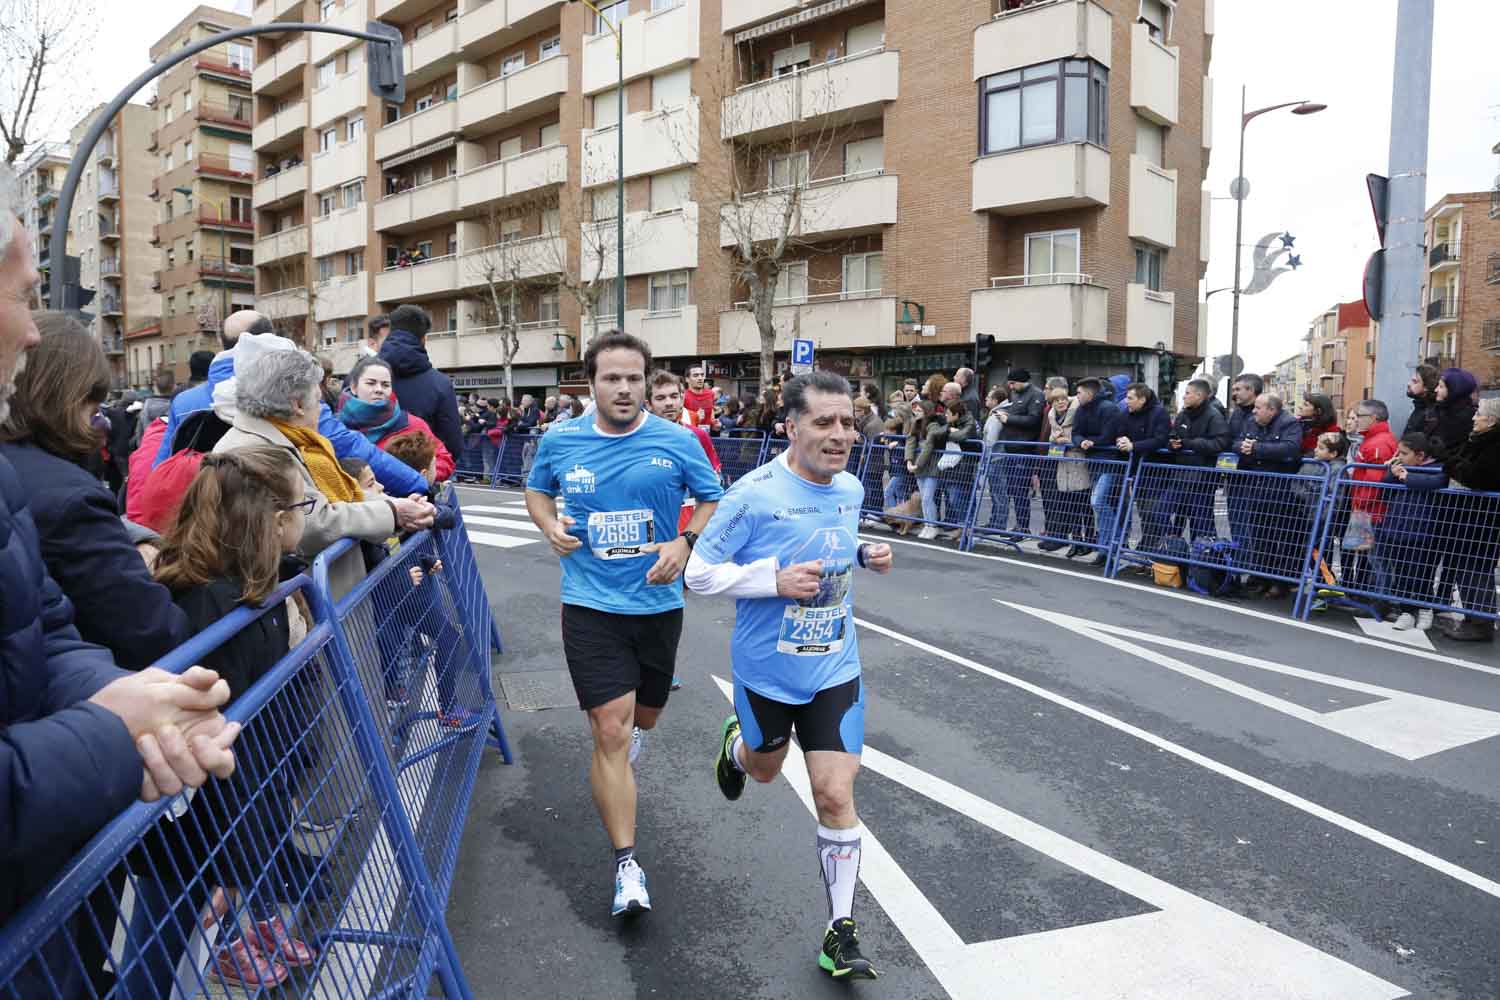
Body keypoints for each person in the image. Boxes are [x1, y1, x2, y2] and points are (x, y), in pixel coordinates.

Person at [0, 198, 238, 991]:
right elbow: (147, 624)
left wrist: (129, 699)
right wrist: (117, 731)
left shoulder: (7, 477)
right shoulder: (64, 492)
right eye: (23, 297)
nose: (33, 333)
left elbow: (41, 631)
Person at [684, 371, 893, 981]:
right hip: (767, 673)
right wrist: (768, 580)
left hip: (834, 666)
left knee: (834, 794)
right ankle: (738, 744)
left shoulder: (851, 489)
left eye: (849, 422)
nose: (840, 434)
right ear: (791, 426)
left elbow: (830, 547)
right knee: (767, 771)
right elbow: (698, 575)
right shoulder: (752, 495)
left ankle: (841, 932)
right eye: (824, 422)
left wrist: (864, 555)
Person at [523, 331, 724, 917]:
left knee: (645, 718)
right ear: (590, 383)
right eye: (611, 377)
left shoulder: (677, 441)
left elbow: (711, 500)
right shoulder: (562, 440)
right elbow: (536, 492)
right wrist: (548, 527)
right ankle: (627, 866)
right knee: (609, 732)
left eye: (633, 378)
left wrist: (684, 543)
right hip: (590, 604)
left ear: (647, 380)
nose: (624, 388)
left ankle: (635, 734)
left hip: (658, 608)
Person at [151, 446, 320, 988]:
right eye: (305, 504)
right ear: (273, 521)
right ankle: (214, 949)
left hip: (245, 793)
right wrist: (235, 858)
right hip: (211, 811)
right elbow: (228, 736)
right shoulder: (213, 607)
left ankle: (249, 925)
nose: (309, 513)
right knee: (175, 921)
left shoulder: (248, 586)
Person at [0, 312, 191, 668]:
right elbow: (155, 631)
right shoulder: (71, 498)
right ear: (64, 396)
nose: (97, 416)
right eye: (92, 400)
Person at [214, 348, 436, 601]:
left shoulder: (285, 439)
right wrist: (394, 512)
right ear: (297, 405)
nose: (321, 409)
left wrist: (393, 505)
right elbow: (312, 523)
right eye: (317, 400)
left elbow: (328, 501)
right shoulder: (257, 450)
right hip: (304, 599)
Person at [154, 309, 267, 467]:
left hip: (200, 489)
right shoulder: (295, 396)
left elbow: (162, 468)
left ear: (222, 344)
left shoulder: (183, 403)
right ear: (271, 340)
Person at [1371, 433, 1448, 632]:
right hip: (1396, 528)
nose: (1399, 456)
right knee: (1402, 571)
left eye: (1404, 453)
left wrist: (1407, 476)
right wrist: (1391, 473)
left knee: (1421, 573)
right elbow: (1384, 490)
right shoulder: (1399, 468)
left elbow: (1438, 482)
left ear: (1420, 455)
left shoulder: (1437, 468)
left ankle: (1424, 608)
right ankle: (1406, 611)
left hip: (1423, 532)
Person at [1437, 397, 1500, 642]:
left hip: (1481, 517)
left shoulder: (1494, 446)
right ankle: (1473, 618)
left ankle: (1481, 623)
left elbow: (1478, 477)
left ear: (1492, 420)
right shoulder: (1478, 440)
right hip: (1467, 515)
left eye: (1479, 414)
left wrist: (1448, 462)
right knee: (1466, 568)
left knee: (1475, 569)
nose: (1474, 418)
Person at [338, 355, 455, 481]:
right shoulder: (335, 426)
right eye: (371, 383)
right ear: (354, 387)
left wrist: (417, 477)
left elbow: (444, 459)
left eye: (385, 385)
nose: (379, 389)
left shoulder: (412, 424)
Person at [1235, 394, 1305, 597]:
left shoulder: (1289, 423)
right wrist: (1243, 447)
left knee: (1281, 537)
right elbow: (1236, 442)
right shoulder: (1251, 422)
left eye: (1258, 407)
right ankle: (1260, 577)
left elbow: (1290, 448)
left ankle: (1280, 581)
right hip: (1256, 487)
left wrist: (1256, 448)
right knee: (1259, 535)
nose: (1254, 411)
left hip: (1280, 489)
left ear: (1272, 410)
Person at [1148, 378, 1230, 545]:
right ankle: (1175, 544)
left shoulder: (1214, 416)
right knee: (1158, 511)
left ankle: (1202, 559)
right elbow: (1173, 435)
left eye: (1187, 393)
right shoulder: (1183, 414)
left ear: (1199, 395)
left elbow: (1220, 443)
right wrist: (1172, 443)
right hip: (1180, 475)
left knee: (1201, 523)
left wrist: (1188, 443)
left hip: (1202, 479)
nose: (1184, 397)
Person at [378, 303, 464, 461]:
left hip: (368, 477)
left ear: (390, 332)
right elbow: (453, 445)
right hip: (420, 474)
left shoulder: (360, 375)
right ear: (424, 339)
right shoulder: (440, 384)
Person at [647, 369, 722, 533]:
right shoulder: (637, 440)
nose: (669, 403)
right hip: (650, 530)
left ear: (682, 399)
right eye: (660, 398)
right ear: (648, 404)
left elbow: (714, 484)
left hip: (688, 529)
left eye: (674, 396)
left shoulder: (697, 435)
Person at [1108, 383, 1170, 551]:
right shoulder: (1125, 414)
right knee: (1143, 511)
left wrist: (1134, 445)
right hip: (1135, 469)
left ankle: (1156, 550)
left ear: (1142, 399)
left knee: (1153, 512)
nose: (1126, 401)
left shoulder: (1159, 413)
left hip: (1155, 470)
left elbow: (1160, 439)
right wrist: (1121, 440)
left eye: (1130, 398)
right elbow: (1117, 431)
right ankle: (1146, 550)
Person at [986, 369, 1046, 536]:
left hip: (1024, 448)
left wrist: (1009, 419)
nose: (1010, 387)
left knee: (1020, 490)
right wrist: (1006, 413)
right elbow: (1017, 413)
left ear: (1022, 381)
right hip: (1011, 448)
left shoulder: (1036, 395)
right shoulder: (1017, 394)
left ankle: (1023, 527)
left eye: (1013, 383)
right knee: (1013, 489)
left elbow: (1034, 420)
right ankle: (1019, 525)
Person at [1070, 377, 1120, 560]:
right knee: (1101, 504)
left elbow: (1108, 435)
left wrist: (1092, 441)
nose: (1077, 396)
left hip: (1110, 463)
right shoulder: (1081, 410)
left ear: (1090, 394)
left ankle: (1109, 545)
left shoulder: (1109, 408)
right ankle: (1107, 546)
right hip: (1093, 462)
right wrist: (1081, 441)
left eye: (1079, 393)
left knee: (1098, 502)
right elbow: (1075, 432)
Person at [904, 399, 948, 540]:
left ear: (926, 411)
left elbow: (929, 446)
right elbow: (910, 441)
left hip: (931, 464)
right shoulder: (915, 423)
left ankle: (933, 526)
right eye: (915, 410)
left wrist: (917, 464)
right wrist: (909, 460)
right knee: (924, 498)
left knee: (928, 497)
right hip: (919, 464)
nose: (916, 412)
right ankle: (927, 525)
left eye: (919, 410)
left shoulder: (933, 425)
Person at [1426, 367, 1478, 460]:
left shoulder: (1466, 418)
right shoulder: (1440, 409)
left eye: (1441, 386)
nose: (1436, 390)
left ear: (1454, 390)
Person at [1402, 363, 1440, 437]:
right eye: (1411, 380)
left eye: (1415, 381)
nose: (1409, 383)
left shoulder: (1429, 415)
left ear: (1427, 387)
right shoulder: (1420, 407)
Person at [683, 364, 719, 431]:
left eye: (702, 375)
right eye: (696, 375)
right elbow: (678, 421)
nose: (700, 378)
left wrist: (715, 424)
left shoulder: (710, 393)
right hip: (690, 435)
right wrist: (695, 418)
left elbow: (711, 413)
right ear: (687, 379)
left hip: (706, 435)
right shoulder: (682, 396)